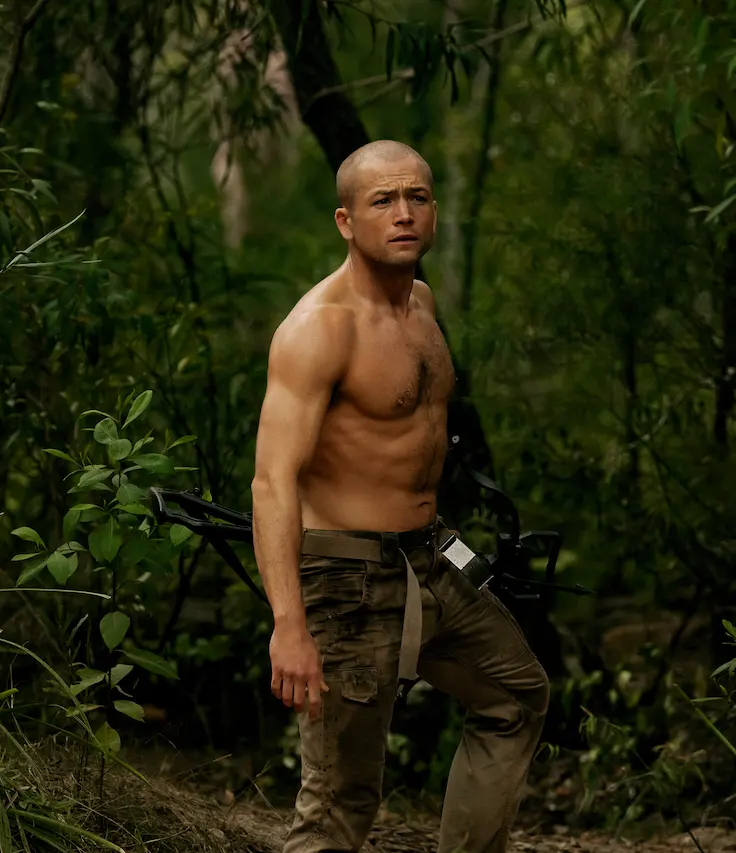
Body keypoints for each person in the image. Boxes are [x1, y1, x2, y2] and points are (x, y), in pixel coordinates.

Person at [249, 140, 550, 853]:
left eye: (416, 197)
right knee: (340, 801)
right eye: (382, 200)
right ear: (346, 221)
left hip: (431, 555)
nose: (403, 213)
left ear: (434, 210)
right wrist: (288, 624)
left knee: (514, 695)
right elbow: (272, 481)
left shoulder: (421, 304)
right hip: (346, 576)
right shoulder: (320, 329)